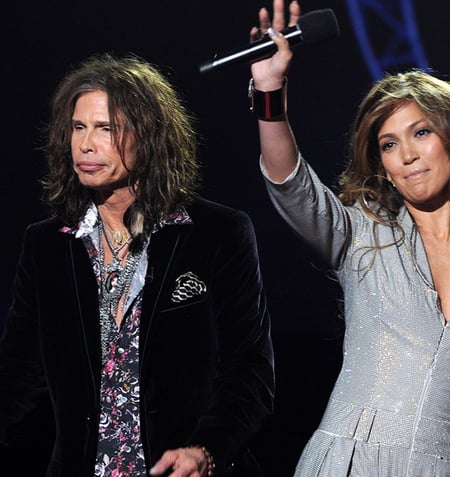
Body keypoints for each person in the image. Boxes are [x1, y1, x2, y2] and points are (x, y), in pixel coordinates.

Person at [246, 1, 450, 475]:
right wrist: (269, 91)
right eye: (389, 144)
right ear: (382, 167)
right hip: (350, 460)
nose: (407, 154)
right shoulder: (362, 235)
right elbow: (292, 185)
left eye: (421, 132)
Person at [0, 54, 275, 476]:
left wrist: (207, 448)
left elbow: (249, 372)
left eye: (105, 129)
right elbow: (17, 374)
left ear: (148, 136)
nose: (86, 144)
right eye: (78, 127)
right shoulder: (46, 245)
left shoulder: (217, 234)